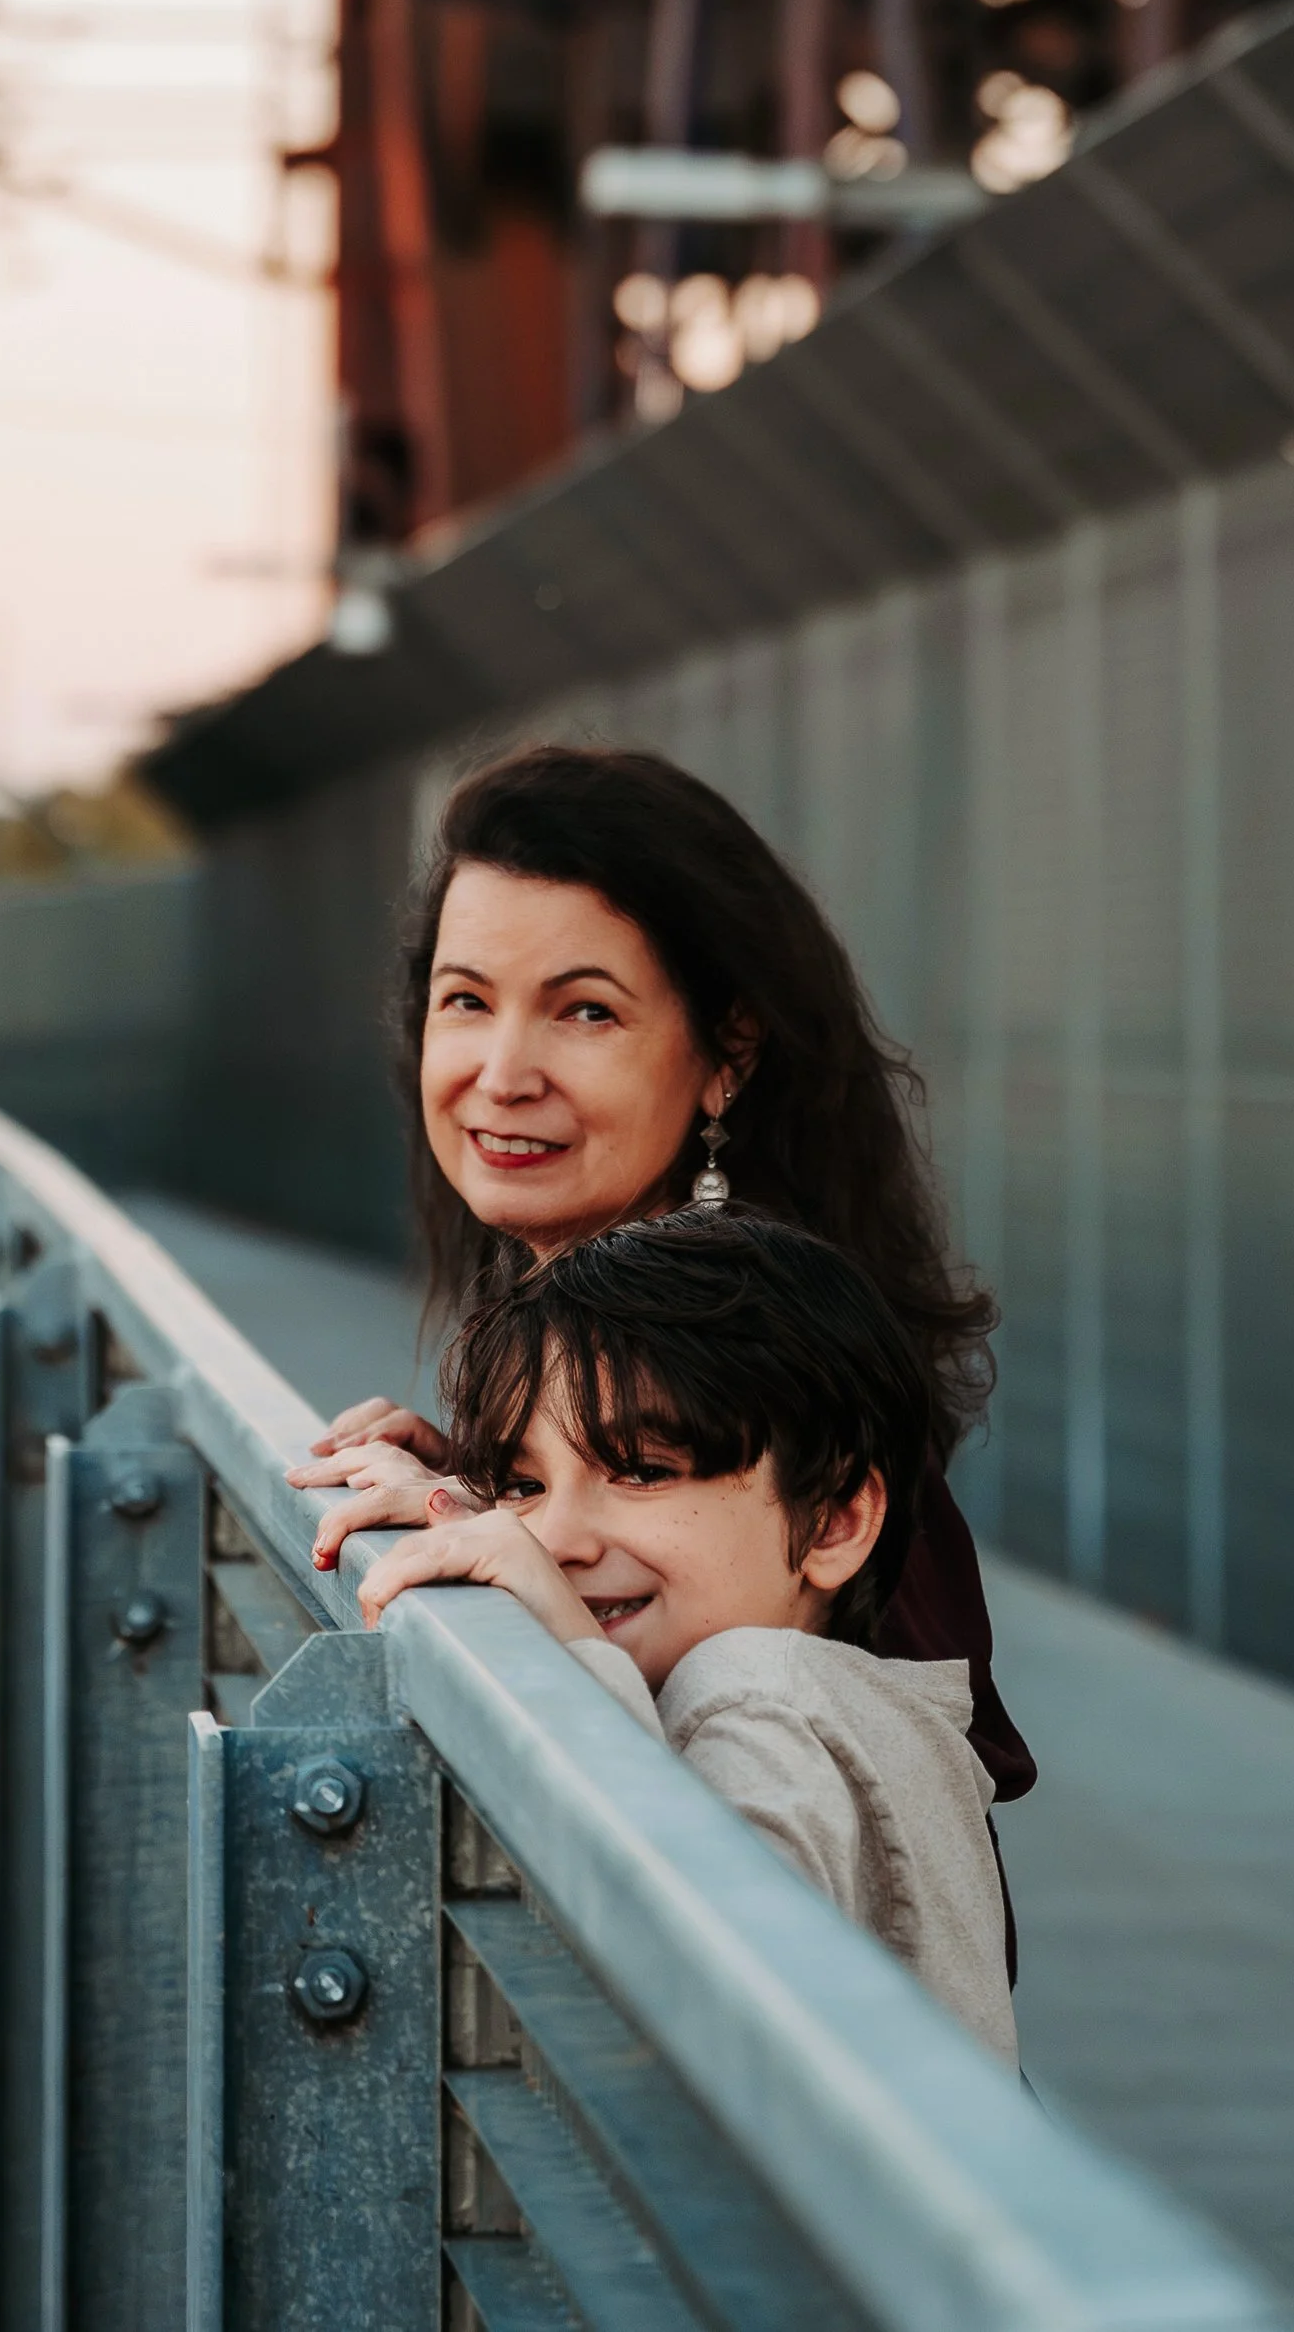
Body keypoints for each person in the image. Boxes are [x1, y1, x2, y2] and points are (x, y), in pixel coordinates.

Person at [287, 747, 1034, 1930]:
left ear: (725, 1056)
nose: (502, 1070)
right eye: (467, 1000)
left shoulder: (791, 1392)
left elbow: (795, 1907)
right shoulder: (564, 1341)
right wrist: (475, 1494)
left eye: (584, 1010)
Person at [352, 1207, 1018, 2066]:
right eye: (521, 1483)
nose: (553, 1541)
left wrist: (572, 1654)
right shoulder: (843, 1703)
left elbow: (688, 1999)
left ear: (834, 1523)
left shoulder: (763, 1699)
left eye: (641, 1471)